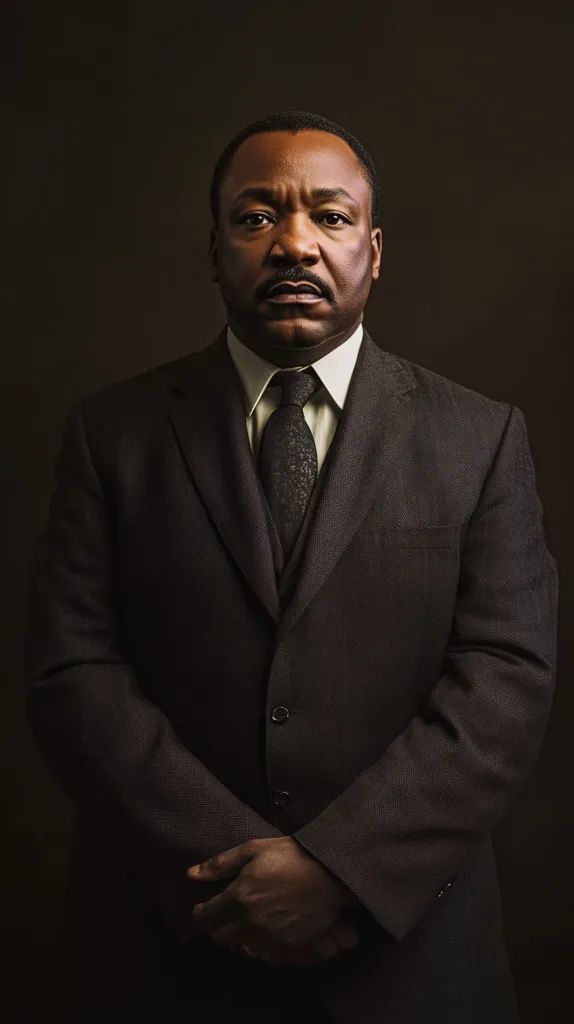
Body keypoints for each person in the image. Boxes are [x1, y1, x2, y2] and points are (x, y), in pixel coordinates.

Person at [24, 110, 558, 1023]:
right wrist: (239, 872)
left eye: (331, 217)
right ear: (216, 248)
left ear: (375, 250)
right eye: (257, 216)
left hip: (410, 960)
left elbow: (506, 677)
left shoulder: (479, 438)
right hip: (168, 950)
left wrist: (339, 871)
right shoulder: (111, 435)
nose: (295, 243)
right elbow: (74, 671)